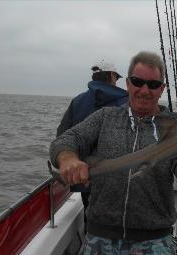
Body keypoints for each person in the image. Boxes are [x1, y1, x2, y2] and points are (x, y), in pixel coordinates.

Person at [50, 51, 177, 254]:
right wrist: (68, 157)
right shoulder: (105, 117)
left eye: (153, 85)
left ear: (162, 89)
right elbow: (66, 139)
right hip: (100, 239)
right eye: (137, 81)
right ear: (127, 84)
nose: (144, 90)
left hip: (154, 242)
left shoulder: (176, 129)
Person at [56, 60, 128, 229]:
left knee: (93, 221)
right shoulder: (126, 100)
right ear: (111, 76)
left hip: (86, 179)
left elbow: (62, 136)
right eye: (116, 77)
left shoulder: (77, 101)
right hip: (119, 180)